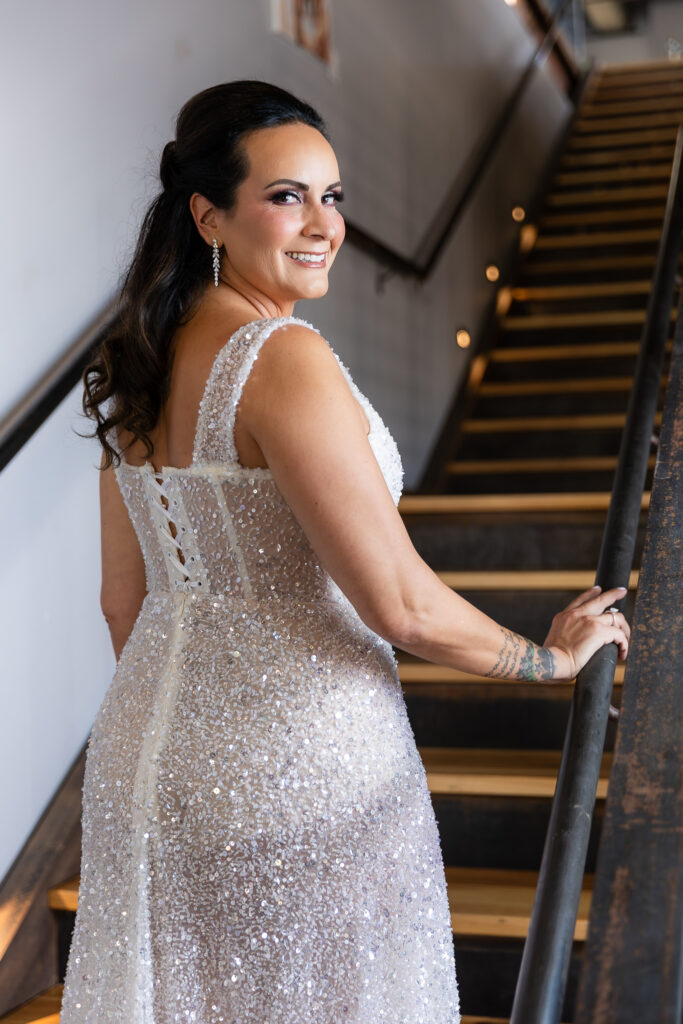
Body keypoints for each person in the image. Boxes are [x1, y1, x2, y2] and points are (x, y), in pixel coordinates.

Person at [64, 79, 630, 1023]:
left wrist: (205, 741)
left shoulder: (141, 360)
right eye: (287, 196)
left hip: (150, 760)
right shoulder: (280, 357)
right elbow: (397, 602)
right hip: (306, 762)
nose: (323, 223)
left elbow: (122, 602)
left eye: (333, 197)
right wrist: (546, 659)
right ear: (209, 214)